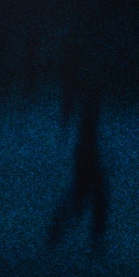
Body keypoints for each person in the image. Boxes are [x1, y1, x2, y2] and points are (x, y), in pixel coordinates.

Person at [45, 91, 109, 254]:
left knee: (85, 196)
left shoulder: (88, 103)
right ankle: (95, 240)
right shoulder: (90, 102)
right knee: (87, 196)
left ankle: (57, 234)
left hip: (86, 153)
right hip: (87, 154)